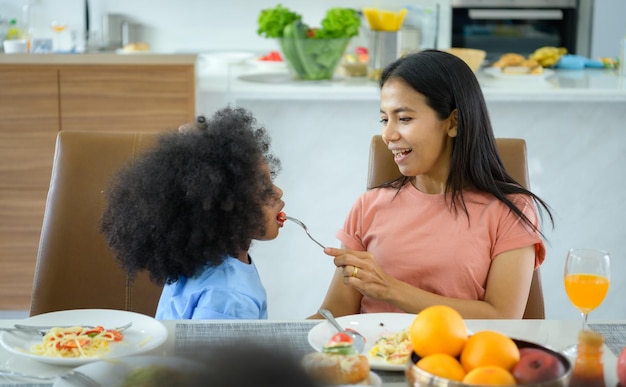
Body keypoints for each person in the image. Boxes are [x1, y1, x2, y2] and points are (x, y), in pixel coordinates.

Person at [311, 50, 554, 320]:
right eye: (384, 119)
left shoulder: (510, 211)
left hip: (461, 360)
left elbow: (503, 317)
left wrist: (391, 289)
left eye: (404, 118)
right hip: (372, 358)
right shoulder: (368, 206)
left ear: (453, 122)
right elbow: (335, 315)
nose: (388, 134)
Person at [100, 106, 285, 319]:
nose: (278, 192)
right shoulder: (228, 296)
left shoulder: (207, 262)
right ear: (223, 209)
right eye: (263, 188)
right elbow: (225, 354)